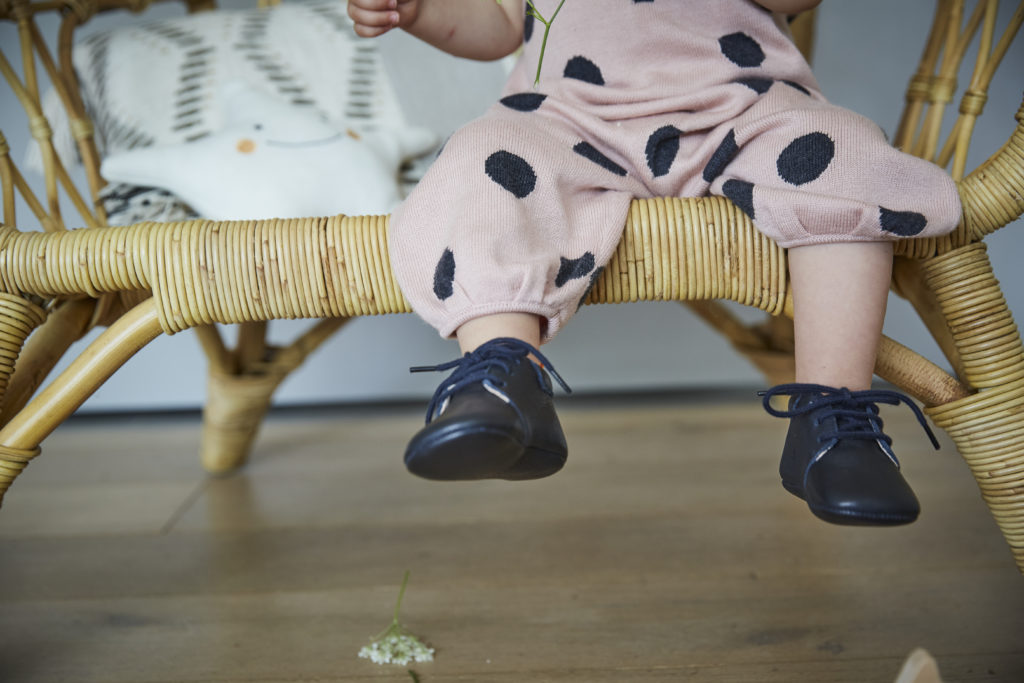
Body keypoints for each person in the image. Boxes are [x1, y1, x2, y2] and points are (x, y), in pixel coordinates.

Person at [345, 0, 961, 525]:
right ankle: (501, 380)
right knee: (482, 159)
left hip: (738, 107)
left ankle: (833, 421)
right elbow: (503, 20)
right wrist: (422, 10)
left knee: (841, 154)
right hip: (564, 117)